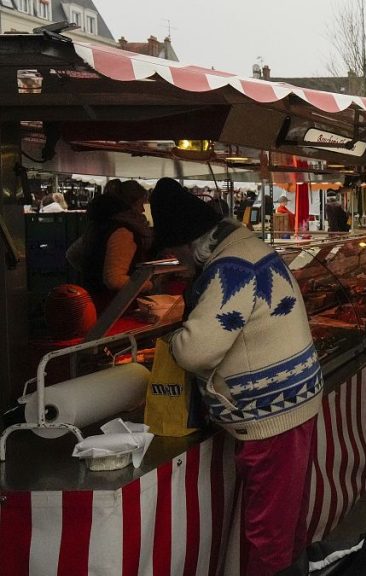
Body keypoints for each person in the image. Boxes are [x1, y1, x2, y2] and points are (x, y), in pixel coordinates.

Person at [149, 178, 323, 576]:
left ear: (192, 244)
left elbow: (196, 351)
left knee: (269, 532)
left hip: (272, 414)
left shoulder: (229, 268)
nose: (177, 261)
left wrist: (173, 337)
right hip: (293, 400)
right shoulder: (246, 247)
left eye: (176, 253)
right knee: (286, 521)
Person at [68, 179, 154, 312]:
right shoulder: (123, 231)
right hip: (114, 306)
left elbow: (72, 254)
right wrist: (147, 284)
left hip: (92, 300)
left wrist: (92, 271)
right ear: (131, 205)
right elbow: (114, 279)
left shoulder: (101, 225)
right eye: (141, 203)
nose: (143, 209)